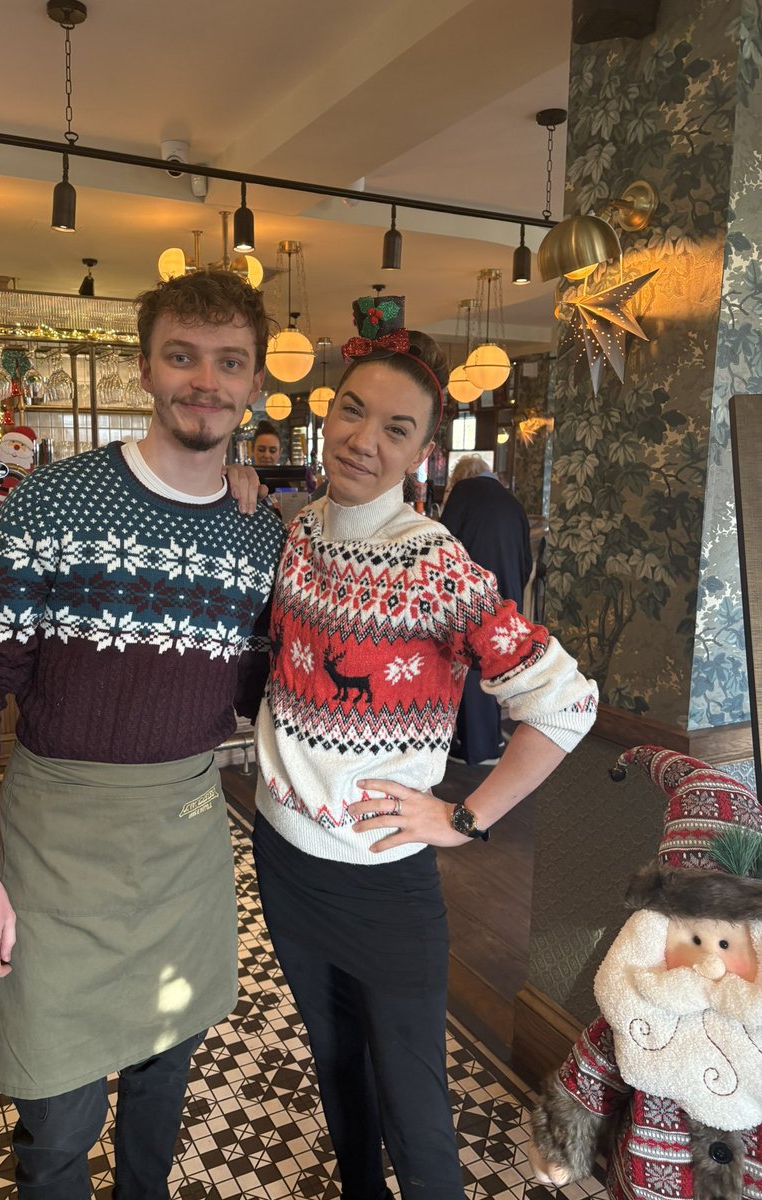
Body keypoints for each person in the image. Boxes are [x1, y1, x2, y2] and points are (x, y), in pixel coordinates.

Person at [0, 269, 285, 1200]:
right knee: (56, 1117)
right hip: (55, 844)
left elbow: (264, 681)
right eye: (182, 356)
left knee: (162, 1083)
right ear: (145, 367)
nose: (204, 381)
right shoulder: (51, 503)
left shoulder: (261, 535)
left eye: (228, 363)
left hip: (183, 840)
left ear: (254, 383)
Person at [252, 294, 598, 1200]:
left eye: (396, 428)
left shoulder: (434, 563)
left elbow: (565, 704)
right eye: (354, 409)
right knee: (337, 1076)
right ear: (329, 411)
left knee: (415, 1110)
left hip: (381, 879)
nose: (366, 438)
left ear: (420, 453)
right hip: (284, 859)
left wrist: (464, 817)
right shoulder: (298, 535)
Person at [528, 744, 762, 1200]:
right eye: (693, 939)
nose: (709, 962)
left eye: (728, 943)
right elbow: (587, 1083)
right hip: (649, 1183)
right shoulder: (632, 1024)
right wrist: (559, 1146)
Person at [440, 453, 533, 766]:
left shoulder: (464, 495)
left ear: (460, 478)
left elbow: (442, 545)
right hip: (508, 594)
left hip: (471, 593)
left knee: (469, 664)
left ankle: (474, 747)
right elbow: (526, 561)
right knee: (497, 661)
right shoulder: (512, 502)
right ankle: (491, 736)